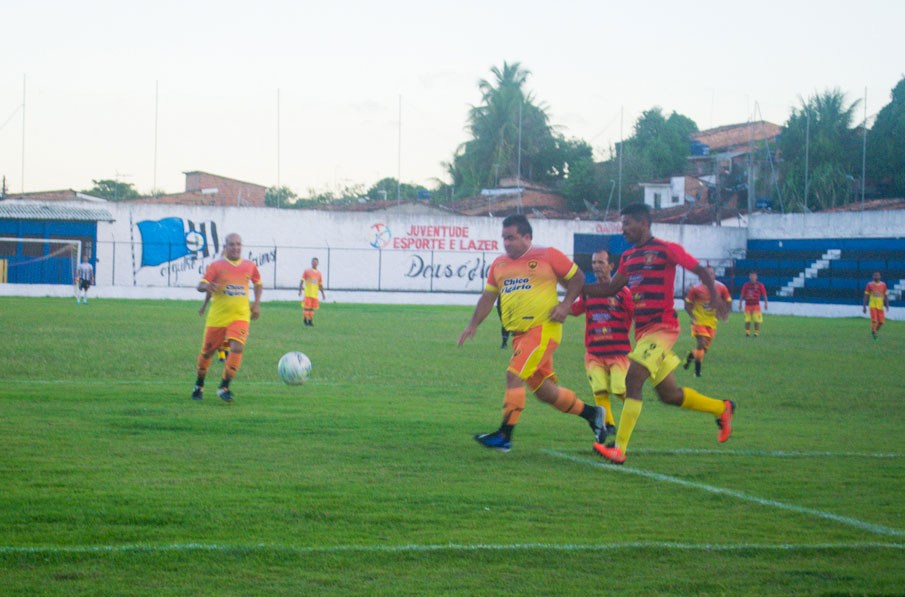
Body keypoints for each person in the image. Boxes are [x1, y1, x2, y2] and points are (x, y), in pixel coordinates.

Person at [582, 203, 735, 465]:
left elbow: (698, 270)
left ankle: (619, 448)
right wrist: (575, 288)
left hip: (663, 327)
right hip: (644, 334)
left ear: (643, 222)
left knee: (633, 379)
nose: (623, 229)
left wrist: (716, 297)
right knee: (670, 395)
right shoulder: (629, 257)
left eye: (627, 223)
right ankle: (722, 409)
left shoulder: (665, 249)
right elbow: (609, 290)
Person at [458, 214, 605, 452]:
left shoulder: (547, 255)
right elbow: (488, 297)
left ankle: (504, 435)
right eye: (504, 238)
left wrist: (566, 304)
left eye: (512, 237)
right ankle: (592, 414)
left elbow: (577, 277)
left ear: (527, 237)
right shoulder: (499, 264)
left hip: (543, 329)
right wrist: (473, 324)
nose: (506, 243)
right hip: (519, 336)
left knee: (513, 375)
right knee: (546, 393)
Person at [191, 233, 263, 403]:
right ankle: (199, 384)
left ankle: (224, 386)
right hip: (217, 317)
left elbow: (258, 284)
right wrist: (207, 286)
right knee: (207, 352)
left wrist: (257, 304)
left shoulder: (250, 266)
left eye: (238, 244)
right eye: (231, 244)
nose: (235, 247)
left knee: (237, 347)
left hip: (241, 316)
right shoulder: (216, 266)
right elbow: (200, 285)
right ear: (225, 246)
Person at [570, 249, 633, 436]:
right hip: (594, 352)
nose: (596, 266)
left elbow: (634, 315)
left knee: (620, 388)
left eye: (601, 263)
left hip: (618, 351)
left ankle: (633, 410)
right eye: (594, 263)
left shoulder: (623, 293)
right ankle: (609, 425)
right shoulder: (589, 292)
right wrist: (556, 308)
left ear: (611, 266)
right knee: (599, 389)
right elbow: (576, 309)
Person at [683, 266, 732, 377]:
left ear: (714, 275)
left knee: (703, 349)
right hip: (699, 321)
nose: (710, 275)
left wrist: (725, 313)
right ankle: (697, 371)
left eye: (711, 273)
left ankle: (690, 356)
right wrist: (691, 316)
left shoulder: (721, 287)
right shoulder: (695, 288)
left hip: (712, 322)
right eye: (707, 273)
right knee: (701, 343)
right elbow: (687, 304)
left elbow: (728, 300)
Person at [739, 271, 768, 337]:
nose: (752, 277)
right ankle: (747, 333)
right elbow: (742, 294)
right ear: (749, 277)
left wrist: (766, 303)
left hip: (756, 306)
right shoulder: (746, 285)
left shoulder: (760, 285)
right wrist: (740, 303)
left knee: (756, 320)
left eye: (754, 276)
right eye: (751, 276)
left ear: (756, 277)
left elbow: (764, 295)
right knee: (747, 320)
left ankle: (756, 333)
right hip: (747, 306)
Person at [299, 257, 326, 327]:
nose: (315, 263)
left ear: (318, 264)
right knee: (306, 308)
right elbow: (302, 281)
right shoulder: (307, 271)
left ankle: (310, 321)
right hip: (308, 293)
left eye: (316, 262)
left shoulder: (319, 274)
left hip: (315, 294)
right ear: (311, 263)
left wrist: (323, 294)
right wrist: (300, 290)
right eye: (314, 262)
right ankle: (305, 321)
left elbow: (320, 284)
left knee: (311, 309)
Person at [863, 271, 889, 340]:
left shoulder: (883, 285)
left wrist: (887, 305)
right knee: (874, 320)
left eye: (878, 275)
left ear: (880, 277)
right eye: (875, 275)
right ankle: (874, 334)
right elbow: (866, 295)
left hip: (880, 306)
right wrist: (864, 306)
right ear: (873, 277)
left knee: (881, 322)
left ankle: (874, 331)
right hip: (872, 305)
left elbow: (886, 295)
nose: (876, 277)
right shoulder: (869, 284)